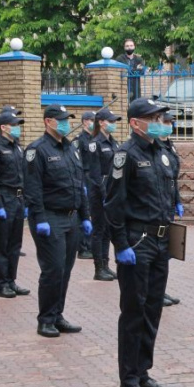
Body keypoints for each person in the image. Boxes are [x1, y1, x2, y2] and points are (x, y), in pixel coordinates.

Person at [104, 98, 176, 387]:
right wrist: (120, 244)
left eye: (160, 117)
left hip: (160, 241)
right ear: (136, 123)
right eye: (153, 117)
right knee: (134, 310)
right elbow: (112, 203)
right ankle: (129, 378)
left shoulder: (161, 152)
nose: (159, 121)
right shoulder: (126, 155)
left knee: (153, 309)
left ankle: (144, 372)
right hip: (137, 240)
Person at [24, 104, 92, 337]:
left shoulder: (71, 149)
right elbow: (33, 189)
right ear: (48, 122)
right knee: (53, 269)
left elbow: (79, 184)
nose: (66, 123)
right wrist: (40, 218)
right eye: (61, 119)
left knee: (65, 269)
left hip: (71, 218)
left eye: (67, 119)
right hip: (50, 217)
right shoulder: (37, 150)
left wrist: (85, 216)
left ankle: (57, 315)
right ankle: (45, 319)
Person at [0, 111, 31, 299]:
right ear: (3, 127)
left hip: (18, 199)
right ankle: (1, 283)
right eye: (14, 124)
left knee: (15, 244)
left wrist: (26, 201)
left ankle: (11, 280)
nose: (18, 128)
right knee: (1, 244)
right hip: (4, 198)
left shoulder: (18, 148)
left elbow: (24, 176)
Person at [88, 108, 122, 280]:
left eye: (115, 121)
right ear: (101, 122)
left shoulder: (114, 143)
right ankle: (98, 268)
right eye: (111, 121)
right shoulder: (95, 144)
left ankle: (106, 265)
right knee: (99, 229)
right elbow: (94, 173)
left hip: (112, 192)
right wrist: (104, 195)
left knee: (108, 230)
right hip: (100, 193)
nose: (113, 124)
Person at [159, 111, 182, 307]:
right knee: (159, 251)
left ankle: (161, 290)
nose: (169, 125)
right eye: (165, 122)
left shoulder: (170, 145)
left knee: (167, 251)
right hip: (158, 205)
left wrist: (178, 200)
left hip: (169, 202)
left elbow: (174, 178)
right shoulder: (156, 148)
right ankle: (156, 293)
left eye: (170, 122)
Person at [75, 111, 97, 261]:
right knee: (85, 212)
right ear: (84, 122)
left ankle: (90, 245)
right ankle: (83, 248)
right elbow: (78, 164)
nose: (93, 123)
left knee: (94, 213)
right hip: (85, 178)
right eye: (91, 120)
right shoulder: (79, 140)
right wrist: (81, 183)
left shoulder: (95, 138)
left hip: (95, 179)